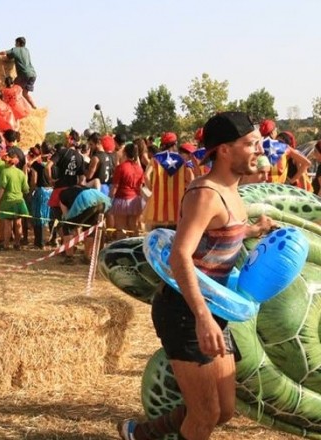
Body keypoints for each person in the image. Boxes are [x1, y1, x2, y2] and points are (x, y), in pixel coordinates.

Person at [119, 112, 277, 440]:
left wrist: (252, 229)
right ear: (224, 150)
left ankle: (145, 434)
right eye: (250, 144)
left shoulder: (231, 189)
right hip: (185, 310)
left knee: (224, 410)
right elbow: (179, 255)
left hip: (212, 307)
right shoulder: (206, 193)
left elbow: (219, 232)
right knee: (205, 415)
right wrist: (201, 317)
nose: (258, 151)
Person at [143, 132, 194, 230]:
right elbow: (191, 179)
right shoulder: (183, 159)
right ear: (175, 143)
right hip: (178, 205)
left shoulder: (156, 158)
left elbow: (146, 176)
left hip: (158, 204)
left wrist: (152, 188)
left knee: (158, 236)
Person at [58, 181, 110, 264]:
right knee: (89, 228)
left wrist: (73, 227)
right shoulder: (80, 188)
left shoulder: (62, 196)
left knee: (67, 227)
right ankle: (86, 257)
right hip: (100, 200)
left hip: (85, 200)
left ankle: (69, 258)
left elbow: (66, 216)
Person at [0, 148, 29, 251]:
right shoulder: (21, 173)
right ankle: (17, 244)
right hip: (19, 201)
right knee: (18, 223)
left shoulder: (5, 172)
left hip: (7, 201)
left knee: (8, 223)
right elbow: (26, 189)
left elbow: (2, 188)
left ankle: (6, 245)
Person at [110, 143, 145, 239]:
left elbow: (115, 187)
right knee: (134, 226)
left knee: (121, 228)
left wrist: (109, 199)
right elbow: (141, 186)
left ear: (125, 153)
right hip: (136, 200)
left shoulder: (121, 167)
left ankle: (122, 250)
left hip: (122, 199)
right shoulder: (139, 169)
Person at [0, 37, 37, 109]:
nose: (15, 44)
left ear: (18, 43)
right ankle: (34, 107)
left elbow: (4, 53)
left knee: (11, 89)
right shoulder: (26, 50)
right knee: (25, 94)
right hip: (33, 74)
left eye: (15, 43)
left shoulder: (16, 49)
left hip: (24, 74)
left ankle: (10, 106)